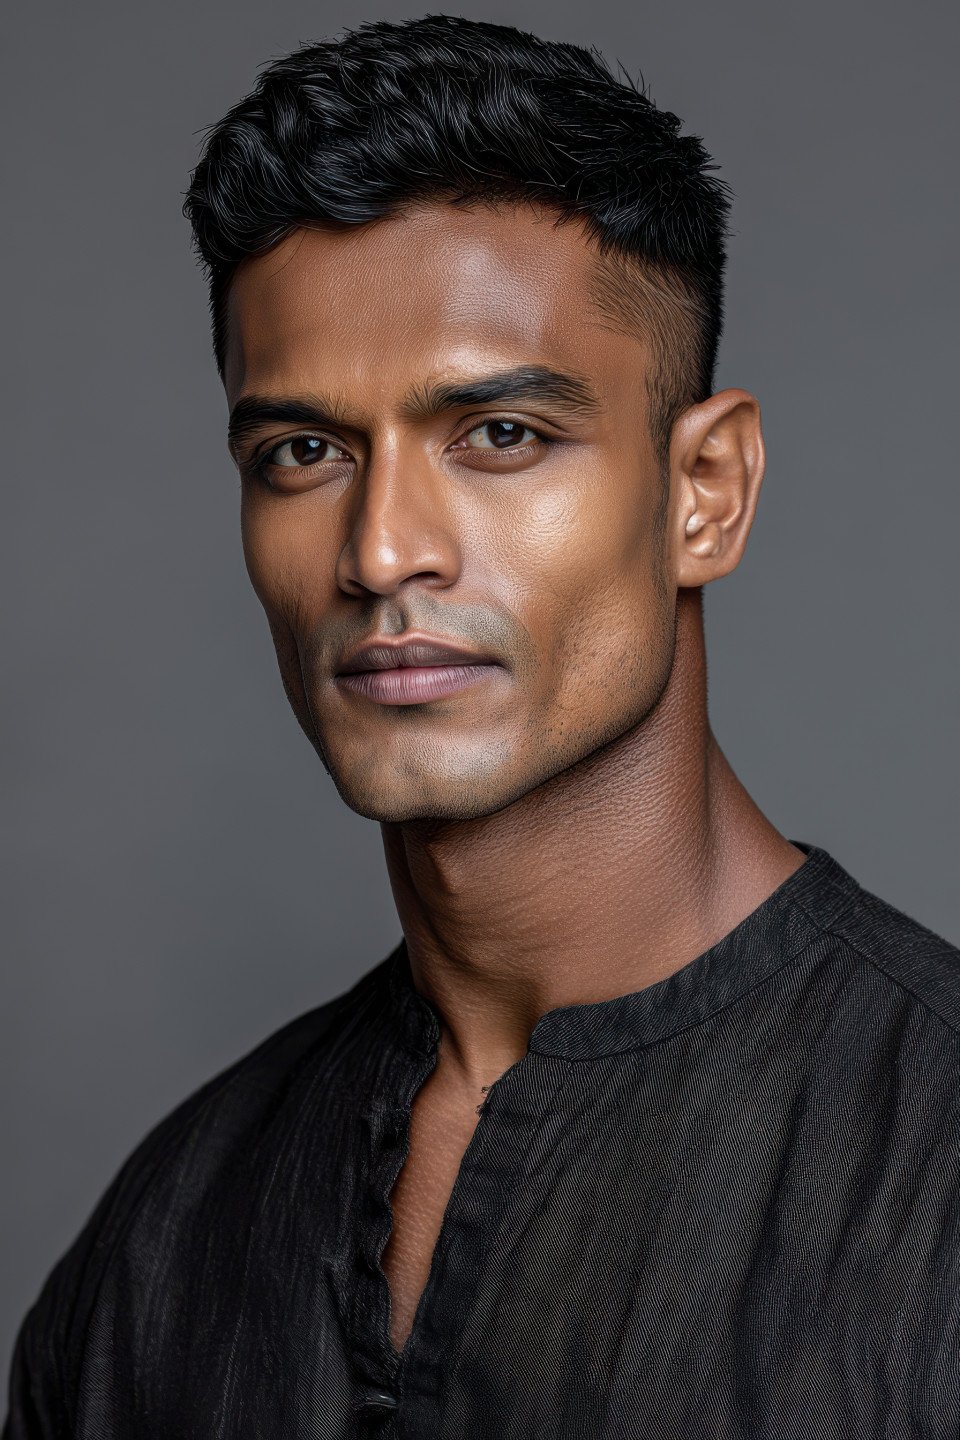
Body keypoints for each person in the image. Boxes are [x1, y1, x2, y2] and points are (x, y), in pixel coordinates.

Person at [5, 13, 960, 1438]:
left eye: (500, 435)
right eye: (304, 453)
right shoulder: (167, 1236)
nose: (382, 550)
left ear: (705, 491)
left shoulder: (930, 1169)